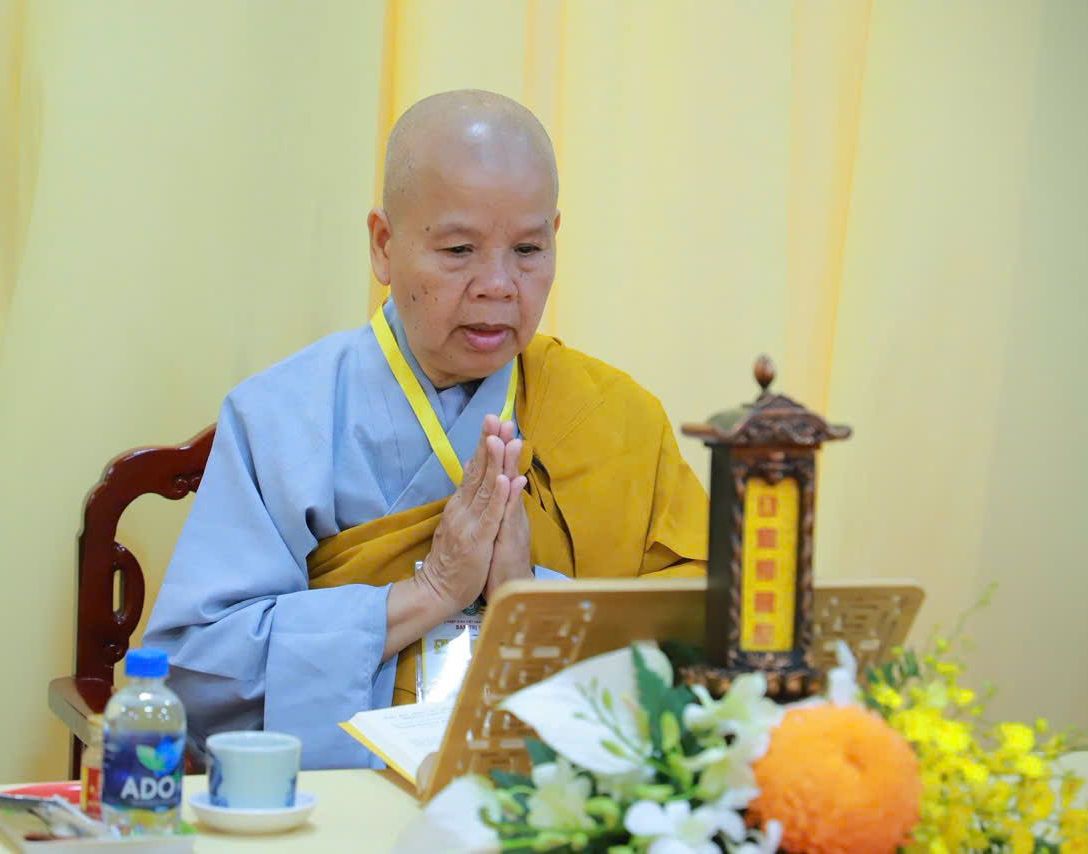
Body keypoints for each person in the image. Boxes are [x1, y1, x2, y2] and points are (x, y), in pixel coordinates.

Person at [144, 90, 709, 769]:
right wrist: (430, 591)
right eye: (460, 249)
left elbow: (706, 646)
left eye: (528, 249)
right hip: (343, 794)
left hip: (551, 791)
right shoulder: (280, 417)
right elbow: (195, 676)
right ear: (384, 246)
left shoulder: (616, 418)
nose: (498, 284)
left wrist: (528, 599)